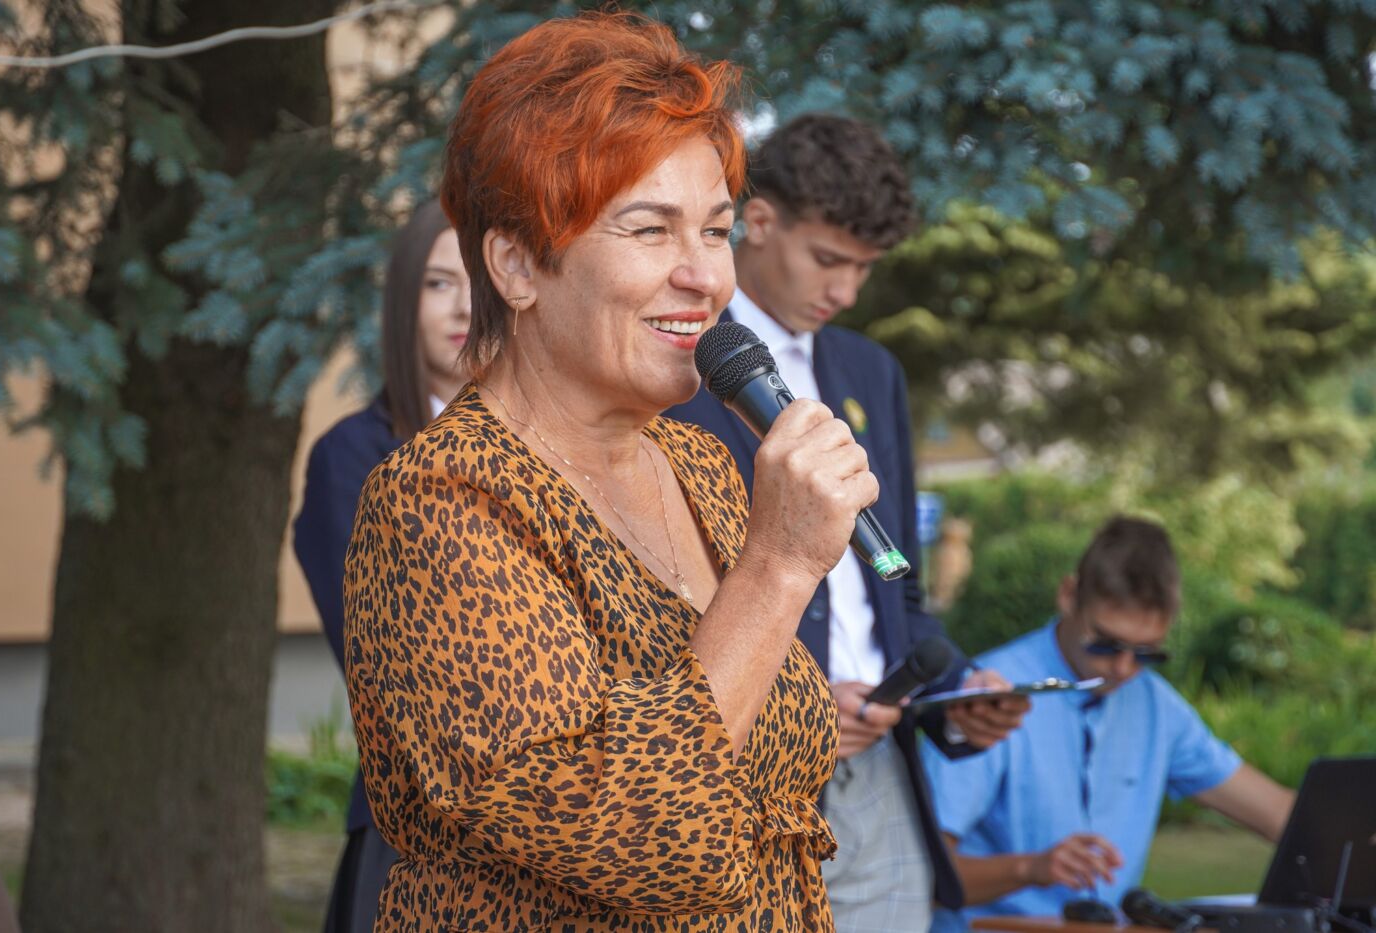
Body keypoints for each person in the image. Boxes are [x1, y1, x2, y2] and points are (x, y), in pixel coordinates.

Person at [342, 12, 884, 930]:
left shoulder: (700, 461)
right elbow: (633, 832)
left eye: (715, 231)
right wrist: (780, 566)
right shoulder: (439, 501)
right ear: (517, 264)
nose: (704, 277)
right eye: (649, 230)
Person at [665, 113, 1029, 931]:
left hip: (882, 769)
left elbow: (895, 588)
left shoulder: (871, 370)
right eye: (829, 259)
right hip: (746, 770)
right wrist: (799, 701)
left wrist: (956, 693)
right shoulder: (677, 368)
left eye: (865, 267)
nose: (847, 290)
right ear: (760, 222)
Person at [923, 516, 1296, 927]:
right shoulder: (989, 696)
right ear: (1069, 595)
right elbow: (921, 874)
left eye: (1147, 652)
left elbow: (1280, 815)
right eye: (1105, 644)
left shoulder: (1155, 704)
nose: (1123, 669)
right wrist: (1030, 868)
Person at [293, 199, 471, 933]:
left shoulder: (552, 449)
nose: (464, 307)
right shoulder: (354, 458)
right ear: (403, 301)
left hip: (560, 832)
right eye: (438, 283)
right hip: (417, 830)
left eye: (480, 282)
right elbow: (387, 660)